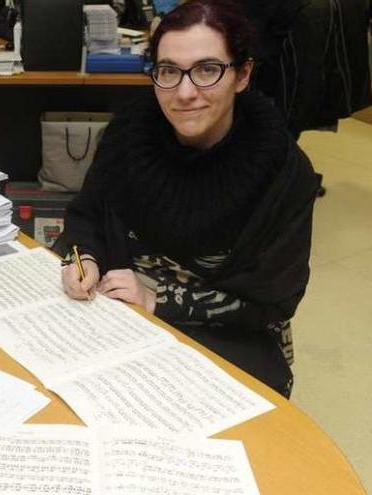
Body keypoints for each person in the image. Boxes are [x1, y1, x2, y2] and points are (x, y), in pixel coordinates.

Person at [55, 0, 320, 398]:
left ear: (243, 74)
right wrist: (83, 257)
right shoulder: (128, 134)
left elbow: (271, 304)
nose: (184, 92)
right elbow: (85, 217)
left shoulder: (283, 170)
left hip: (223, 337)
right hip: (117, 321)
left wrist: (157, 298)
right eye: (168, 72)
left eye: (207, 70)